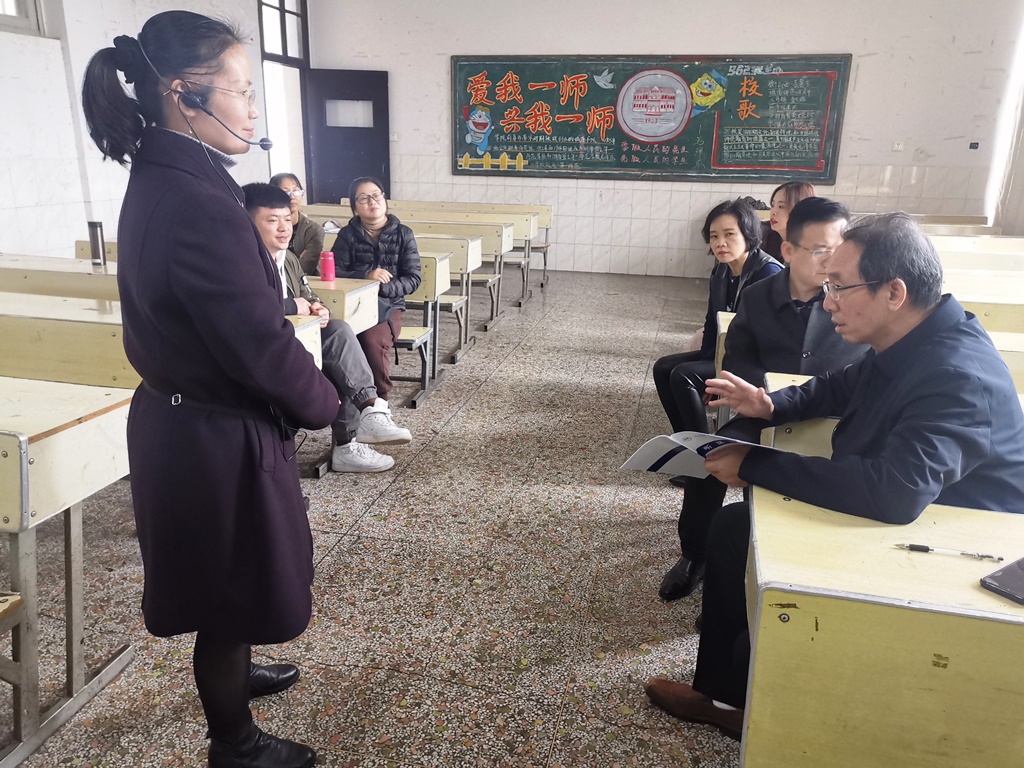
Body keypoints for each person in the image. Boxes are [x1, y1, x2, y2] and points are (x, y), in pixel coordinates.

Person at [646, 212, 1024, 738]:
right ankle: (726, 695)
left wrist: (753, 464)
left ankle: (755, 690)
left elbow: (895, 494)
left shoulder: (956, 374)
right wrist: (770, 405)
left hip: (952, 544)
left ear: (894, 292)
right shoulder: (914, 336)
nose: (827, 303)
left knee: (738, 528)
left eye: (840, 287)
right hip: (911, 503)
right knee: (735, 529)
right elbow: (840, 386)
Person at [82, 12, 332, 767]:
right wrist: (324, 400)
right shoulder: (193, 198)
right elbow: (256, 340)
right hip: (212, 432)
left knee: (237, 574)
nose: (253, 110)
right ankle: (236, 743)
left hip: (191, 417)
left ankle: (238, 669)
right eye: (242, 91)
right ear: (184, 93)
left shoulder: (177, 174)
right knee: (228, 591)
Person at [658, 197, 869, 601]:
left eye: (839, 250)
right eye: (820, 250)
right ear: (788, 250)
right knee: (713, 458)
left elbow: (866, 365)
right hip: (763, 412)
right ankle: (695, 556)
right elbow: (737, 358)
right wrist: (763, 394)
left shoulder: (857, 297)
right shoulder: (758, 296)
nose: (832, 261)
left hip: (836, 419)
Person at [243, 183, 412, 472]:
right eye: (272, 221)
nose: (284, 228)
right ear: (247, 222)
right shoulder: (241, 261)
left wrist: (318, 308)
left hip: (298, 339)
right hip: (262, 348)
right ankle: (352, 436)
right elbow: (246, 307)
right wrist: (292, 305)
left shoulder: (288, 259)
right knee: (343, 355)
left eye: (287, 219)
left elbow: (307, 294)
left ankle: (368, 414)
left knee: (341, 335)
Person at [651, 198, 782, 477]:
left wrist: (716, 374)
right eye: (713, 236)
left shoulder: (767, 273)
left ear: (748, 235)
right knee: (664, 367)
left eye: (729, 234)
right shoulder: (721, 270)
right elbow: (712, 324)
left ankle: (706, 459)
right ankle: (687, 447)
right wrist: (710, 362)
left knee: (684, 376)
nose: (720, 243)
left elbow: (765, 339)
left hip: (757, 361)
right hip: (728, 354)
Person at [332, 177, 422, 398]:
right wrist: (366, 277)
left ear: (384, 199)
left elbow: (413, 279)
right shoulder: (347, 235)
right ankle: (348, 399)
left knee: (372, 340)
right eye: (363, 198)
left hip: (389, 306)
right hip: (353, 305)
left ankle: (380, 398)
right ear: (355, 207)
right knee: (338, 338)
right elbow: (334, 273)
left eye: (376, 195)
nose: (372, 202)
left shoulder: (403, 234)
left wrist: (381, 288)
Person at [270, 172, 324, 276]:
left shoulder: (313, 230)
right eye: (285, 192)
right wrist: (297, 260)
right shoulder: (266, 227)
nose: (292, 196)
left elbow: (306, 267)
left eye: (296, 191)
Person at [761, 181, 816, 260]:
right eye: (772, 205)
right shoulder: (763, 234)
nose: (773, 212)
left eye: (781, 206)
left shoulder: (810, 246)